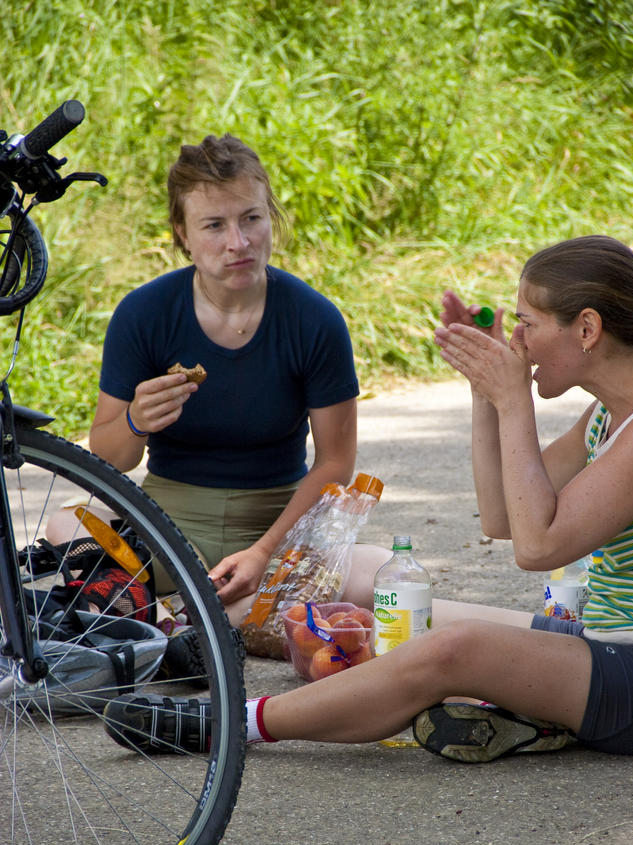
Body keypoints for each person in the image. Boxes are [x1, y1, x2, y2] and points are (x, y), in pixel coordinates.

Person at [104, 235, 633, 762]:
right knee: (389, 593)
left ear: (587, 328)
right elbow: (502, 518)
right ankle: (528, 715)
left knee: (455, 649)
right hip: (602, 636)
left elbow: (538, 546)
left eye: (527, 322)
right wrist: (486, 396)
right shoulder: (607, 414)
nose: (518, 340)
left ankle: (231, 723)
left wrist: (514, 400)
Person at [48, 134, 387, 662]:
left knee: (384, 575)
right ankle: (201, 622)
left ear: (270, 217)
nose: (239, 242)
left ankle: (160, 624)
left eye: (251, 218)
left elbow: (336, 463)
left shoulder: (314, 319)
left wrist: (262, 552)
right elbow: (108, 458)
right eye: (214, 225)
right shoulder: (144, 314)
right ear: (182, 235)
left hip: (279, 529)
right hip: (164, 526)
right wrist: (137, 420)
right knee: (68, 523)